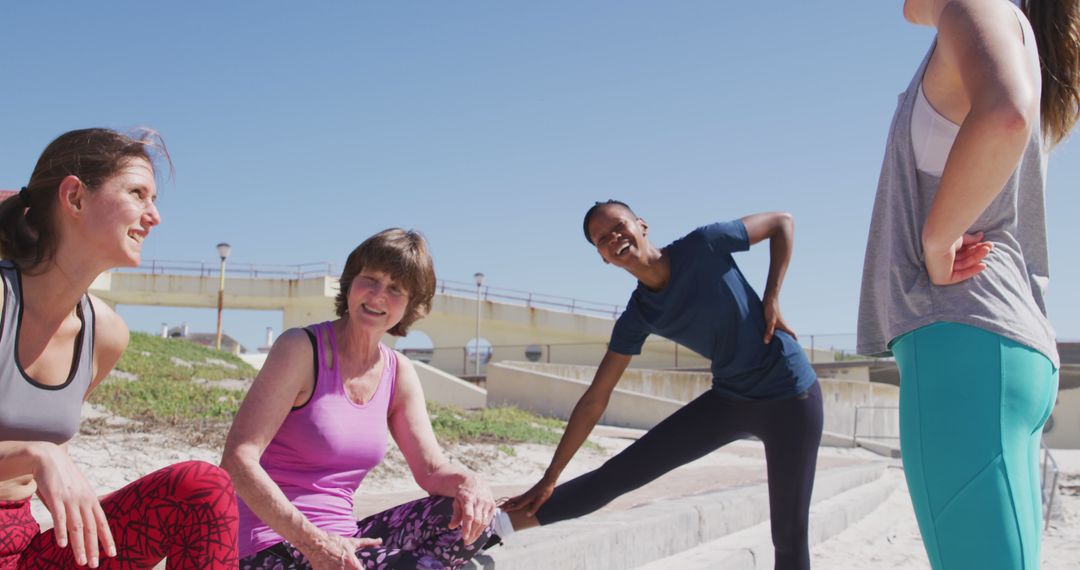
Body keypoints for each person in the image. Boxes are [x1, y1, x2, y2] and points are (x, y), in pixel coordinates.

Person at [857, 0, 1079, 567]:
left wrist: (937, 238)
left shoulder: (972, 5)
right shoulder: (999, 27)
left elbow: (1007, 112)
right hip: (1003, 345)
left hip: (962, 337)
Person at [504, 201, 822, 570]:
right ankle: (496, 526)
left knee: (788, 534)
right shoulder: (638, 315)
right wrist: (549, 477)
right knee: (617, 475)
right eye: (602, 239)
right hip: (731, 398)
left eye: (619, 226)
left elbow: (782, 222)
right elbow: (596, 398)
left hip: (790, 394)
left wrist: (772, 296)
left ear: (642, 225)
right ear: (603, 258)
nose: (614, 238)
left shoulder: (703, 244)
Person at [0, 128, 239, 569]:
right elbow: (41, 453)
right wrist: (34, 453)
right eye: (137, 194)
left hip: (23, 554)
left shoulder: (104, 333)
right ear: (74, 198)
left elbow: (55, 455)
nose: (154, 216)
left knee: (201, 489)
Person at [222, 228, 501, 570]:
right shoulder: (301, 349)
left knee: (462, 517)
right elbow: (238, 460)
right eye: (370, 279)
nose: (377, 295)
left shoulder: (398, 372)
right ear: (351, 282)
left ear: (412, 304)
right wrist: (315, 543)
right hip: (273, 544)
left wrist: (471, 484)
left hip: (348, 546)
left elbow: (431, 470)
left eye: (396, 289)